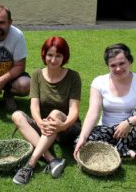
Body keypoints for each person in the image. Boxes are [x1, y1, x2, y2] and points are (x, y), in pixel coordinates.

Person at [73, 43, 136, 164]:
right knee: (79, 143)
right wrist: (83, 137)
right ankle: (126, 151)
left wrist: (129, 123)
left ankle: (114, 149)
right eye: (113, 65)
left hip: (135, 132)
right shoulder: (99, 82)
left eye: (122, 63)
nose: (118, 68)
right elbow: (93, 112)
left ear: (129, 61)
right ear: (108, 66)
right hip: (109, 130)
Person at [12, 37, 81, 185]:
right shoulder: (37, 74)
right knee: (17, 115)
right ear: (44, 55)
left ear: (64, 57)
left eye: (58, 56)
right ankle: (52, 159)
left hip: (67, 127)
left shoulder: (73, 77)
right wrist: (39, 122)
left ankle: (30, 164)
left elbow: (74, 111)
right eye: (50, 55)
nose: (53, 60)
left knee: (55, 113)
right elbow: (34, 106)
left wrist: (62, 126)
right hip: (45, 126)